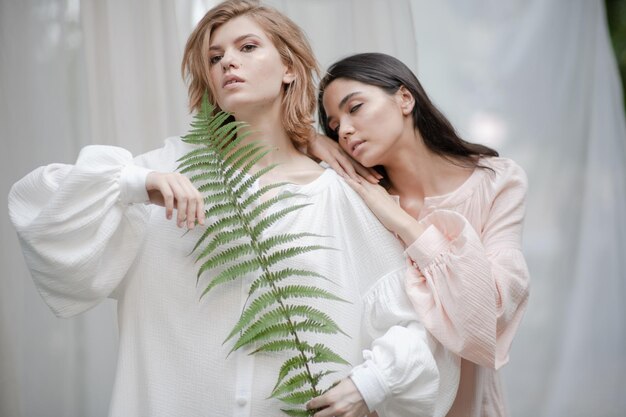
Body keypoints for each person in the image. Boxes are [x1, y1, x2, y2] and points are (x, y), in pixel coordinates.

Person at [8, 3, 460, 417]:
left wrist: (372, 383)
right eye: (214, 57)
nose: (227, 61)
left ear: (288, 67)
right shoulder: (164, 173)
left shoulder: (341, 199)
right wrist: (134, 185)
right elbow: (38, 208)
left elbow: (417, 324)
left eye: (247, 47)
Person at [312, 52, 530, 417]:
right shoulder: (348, 195)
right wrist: (311, 140)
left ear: (404, 98)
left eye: (356, 108)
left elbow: (487, 312)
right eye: (334, 126)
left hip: (468, 404)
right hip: (372, 401)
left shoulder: (498, 182)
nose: (344, 130)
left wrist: (399, 220)